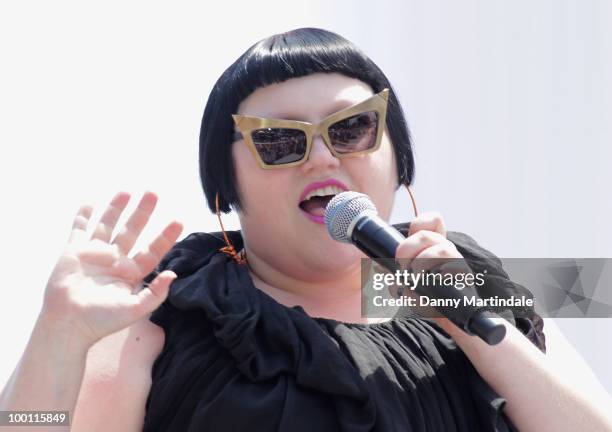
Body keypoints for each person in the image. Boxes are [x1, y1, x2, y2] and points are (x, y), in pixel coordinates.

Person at [1, 28, 611, 432]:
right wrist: (57, 339)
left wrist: (475, 328)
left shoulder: (472, 276)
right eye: (279, 140)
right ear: (225, 189)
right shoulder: (162, 305)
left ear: (398, 158)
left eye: (350, 130)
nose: (323, 158)